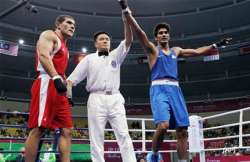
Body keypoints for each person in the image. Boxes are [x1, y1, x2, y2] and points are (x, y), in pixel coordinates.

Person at [118, 1, 231, 162]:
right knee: (163, 126)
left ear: (168, 35)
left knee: (182, 130)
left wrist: (215, 44)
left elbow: (197, 51)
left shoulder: (176, 51)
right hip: (159, 89)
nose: (164, 34)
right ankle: (154, 155)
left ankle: (183, 160)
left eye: (166, 32)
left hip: (175, 90)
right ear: (156, 37)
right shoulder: (152, 50)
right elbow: (138, 31)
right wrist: (125, 9)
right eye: (160, 33)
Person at [67, 13, 136, 162]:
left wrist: (126, 20)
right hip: (96, 98)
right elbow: (71, 80)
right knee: (96, 136)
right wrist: (68, 95)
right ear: (95, 44)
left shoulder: (116, 55)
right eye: (101, 39)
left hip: (115, 98)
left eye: (107, 39)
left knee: (124, 134)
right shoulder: (89, 59)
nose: (105, 41)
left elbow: (129, 40)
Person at [25, 15, 75, 162]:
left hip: (59, 87)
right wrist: (55, 77)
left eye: (74, 25)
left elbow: (62, 71)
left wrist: (68, 92)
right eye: (69, 23)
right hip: (47, 83)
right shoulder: (49, 35)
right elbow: (43, 55)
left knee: (66, 130)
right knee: (38, 129)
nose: (72, 26)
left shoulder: (65, 47)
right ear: (58, 24)